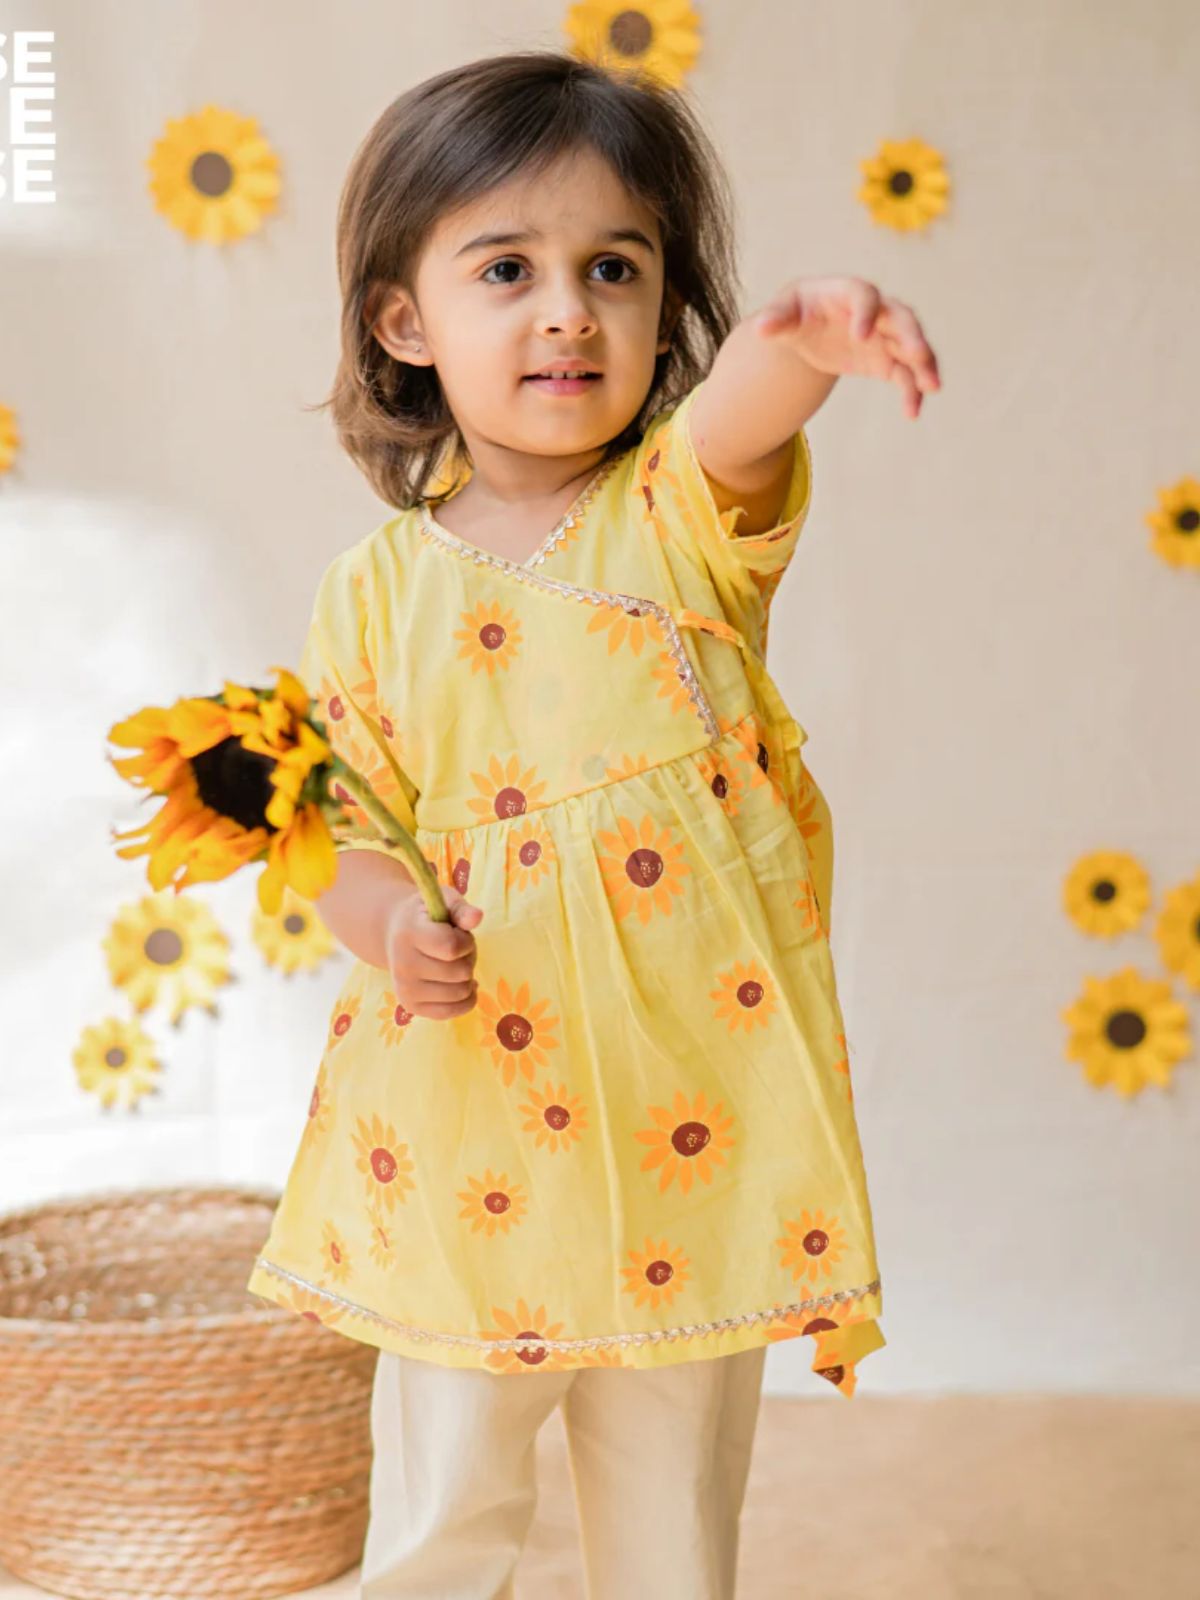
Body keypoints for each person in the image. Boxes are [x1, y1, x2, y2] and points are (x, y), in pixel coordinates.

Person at [246, 47, 941, 1600]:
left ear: (663, 306)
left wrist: (804, 340)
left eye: (613, 268)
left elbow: (742, 424)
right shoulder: (374, 592)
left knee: (672, 1501)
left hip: (681, 1111)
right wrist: (389, 926)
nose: (568, 310)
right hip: (468, 1123)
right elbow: (340, 824)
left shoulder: (672, 522)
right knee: (445, 1493)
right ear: (405, 322)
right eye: (509, 269)